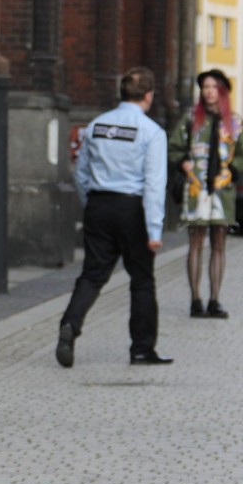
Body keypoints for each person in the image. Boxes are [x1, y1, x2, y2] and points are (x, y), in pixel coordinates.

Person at [56, 67, 172, 368]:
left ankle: (70, 324)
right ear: (149, 95)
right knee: (142, 279)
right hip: (132, 210)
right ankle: (142, 349)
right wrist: (154, 230)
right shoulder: (151, 132)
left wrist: (92, 203)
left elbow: (81, 173)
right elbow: (154, 184)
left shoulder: (96, 126)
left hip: (99, 205)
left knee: (92, 275)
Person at [168, 68, 243, 319]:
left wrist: (232, 171)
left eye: (214, 87)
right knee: (195, 242)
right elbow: (174, 148)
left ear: (223, 91)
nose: (209, 91)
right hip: (196, 190)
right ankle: (195, 299)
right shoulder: (191, 119)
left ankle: (215, 299)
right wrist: (183, 162)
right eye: (205, 87)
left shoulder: (234, 123)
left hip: (222, 191)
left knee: (219, 243)